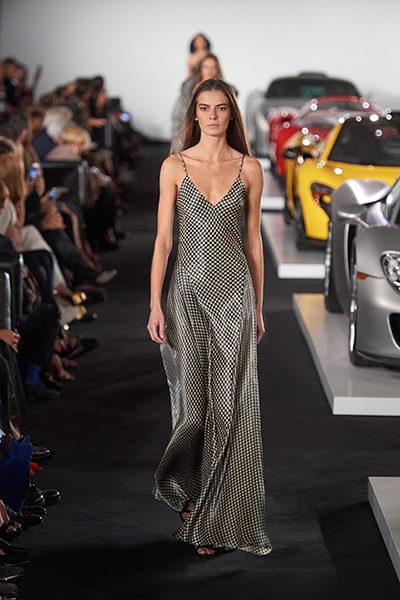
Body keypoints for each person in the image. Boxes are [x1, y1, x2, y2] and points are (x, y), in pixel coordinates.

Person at [147, 78, 272, 557]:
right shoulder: (174, 166)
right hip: (186, 295)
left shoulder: (249, 168)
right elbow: (163, 242)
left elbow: (254, 242)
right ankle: (187, 488)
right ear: (194, 113)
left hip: (234, 296)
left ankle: (214, 517)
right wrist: (155, 303)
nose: (213, 116)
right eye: (205, 108)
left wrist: (257, 306)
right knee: (194, 406)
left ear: (231, 114)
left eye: (221, 108)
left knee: (232, 406)